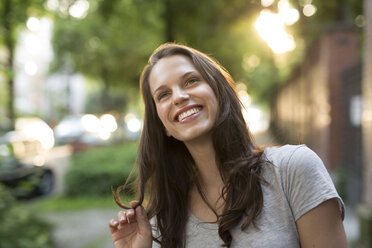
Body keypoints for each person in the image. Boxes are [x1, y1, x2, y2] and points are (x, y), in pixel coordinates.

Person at [108, 43, 348, 248]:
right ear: (163, 127)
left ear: (218, 92)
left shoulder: (294, 170)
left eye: (191, 81)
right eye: (163, 95)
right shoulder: (163, 218)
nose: (179, 97)